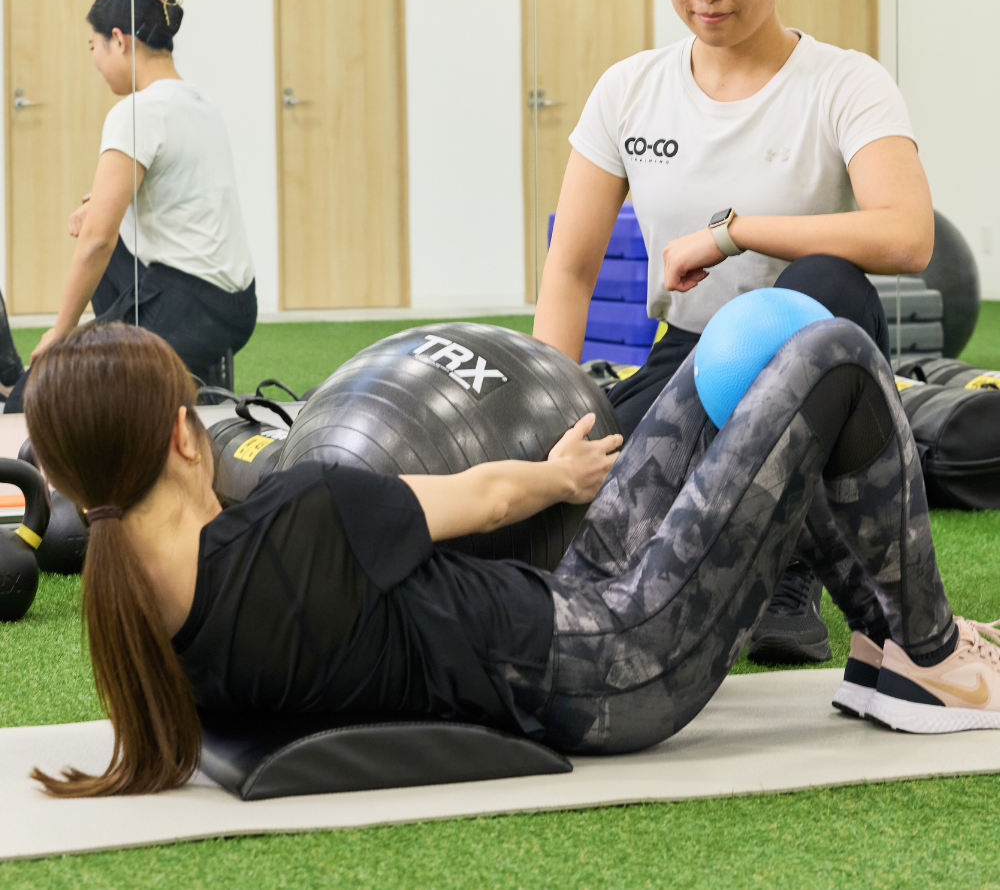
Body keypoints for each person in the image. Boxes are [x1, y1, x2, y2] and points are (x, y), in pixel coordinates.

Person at [25, 319, 1000, 798]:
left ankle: (882, 648)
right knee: (833, 353)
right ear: (185, 437)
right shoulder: (303, 507)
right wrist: (560, 474)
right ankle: (930, 652)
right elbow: (489, 497)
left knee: (725, 381)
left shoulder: (141, 620)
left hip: (565, 614)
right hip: (621, 658)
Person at [532, 0, 934, 664]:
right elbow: (569, 271)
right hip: (690, 352)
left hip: (814, 348)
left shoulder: (845, 83)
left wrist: (736, 232)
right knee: (580, 524)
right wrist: (548, 429)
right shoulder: (629, 89)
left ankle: (793, 565)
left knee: (822, 284)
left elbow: (905, 234)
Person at [1, 0, 256, 410]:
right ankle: (185, 372)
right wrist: (98, 206)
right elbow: (180, 193)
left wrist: (61, 332)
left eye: (93, 47)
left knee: (33, 400)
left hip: (188, 310)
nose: (96, 62)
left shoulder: (138, 111)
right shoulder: (201, 104)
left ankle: (25, 393)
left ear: (118, 40)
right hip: (236, 307)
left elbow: (97, 241)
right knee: (101, 222)